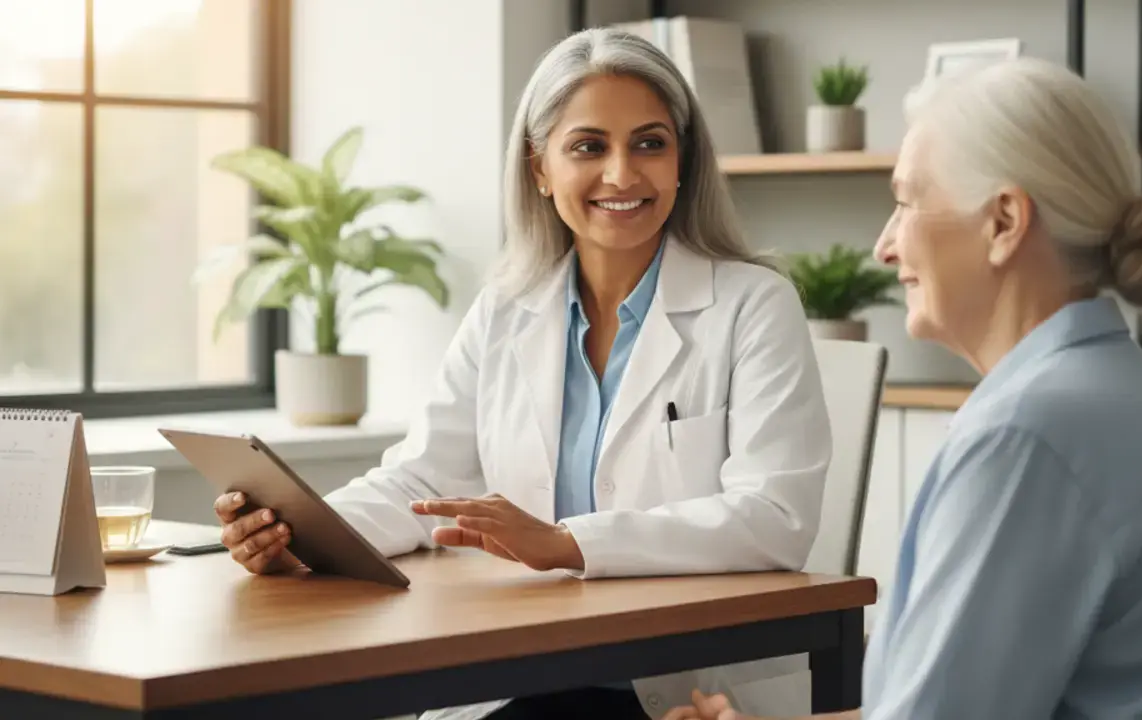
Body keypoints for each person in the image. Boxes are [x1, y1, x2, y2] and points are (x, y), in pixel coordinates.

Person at [209, 27, 833, 720]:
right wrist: (305, 536)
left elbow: (775, 519)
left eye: (650, 143)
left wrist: (566, 543)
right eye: (588, 147)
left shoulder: (753, 305)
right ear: (539, 168)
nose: (623, 174)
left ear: (682, 160)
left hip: (681, 689)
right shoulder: (505, 309)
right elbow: (422, 482)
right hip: (516, 676)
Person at [663, 57, 1142, 719]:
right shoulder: (1107, 390)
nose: (884, 246)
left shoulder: (1029, 434)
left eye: (906, 201)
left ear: (1004, 222)